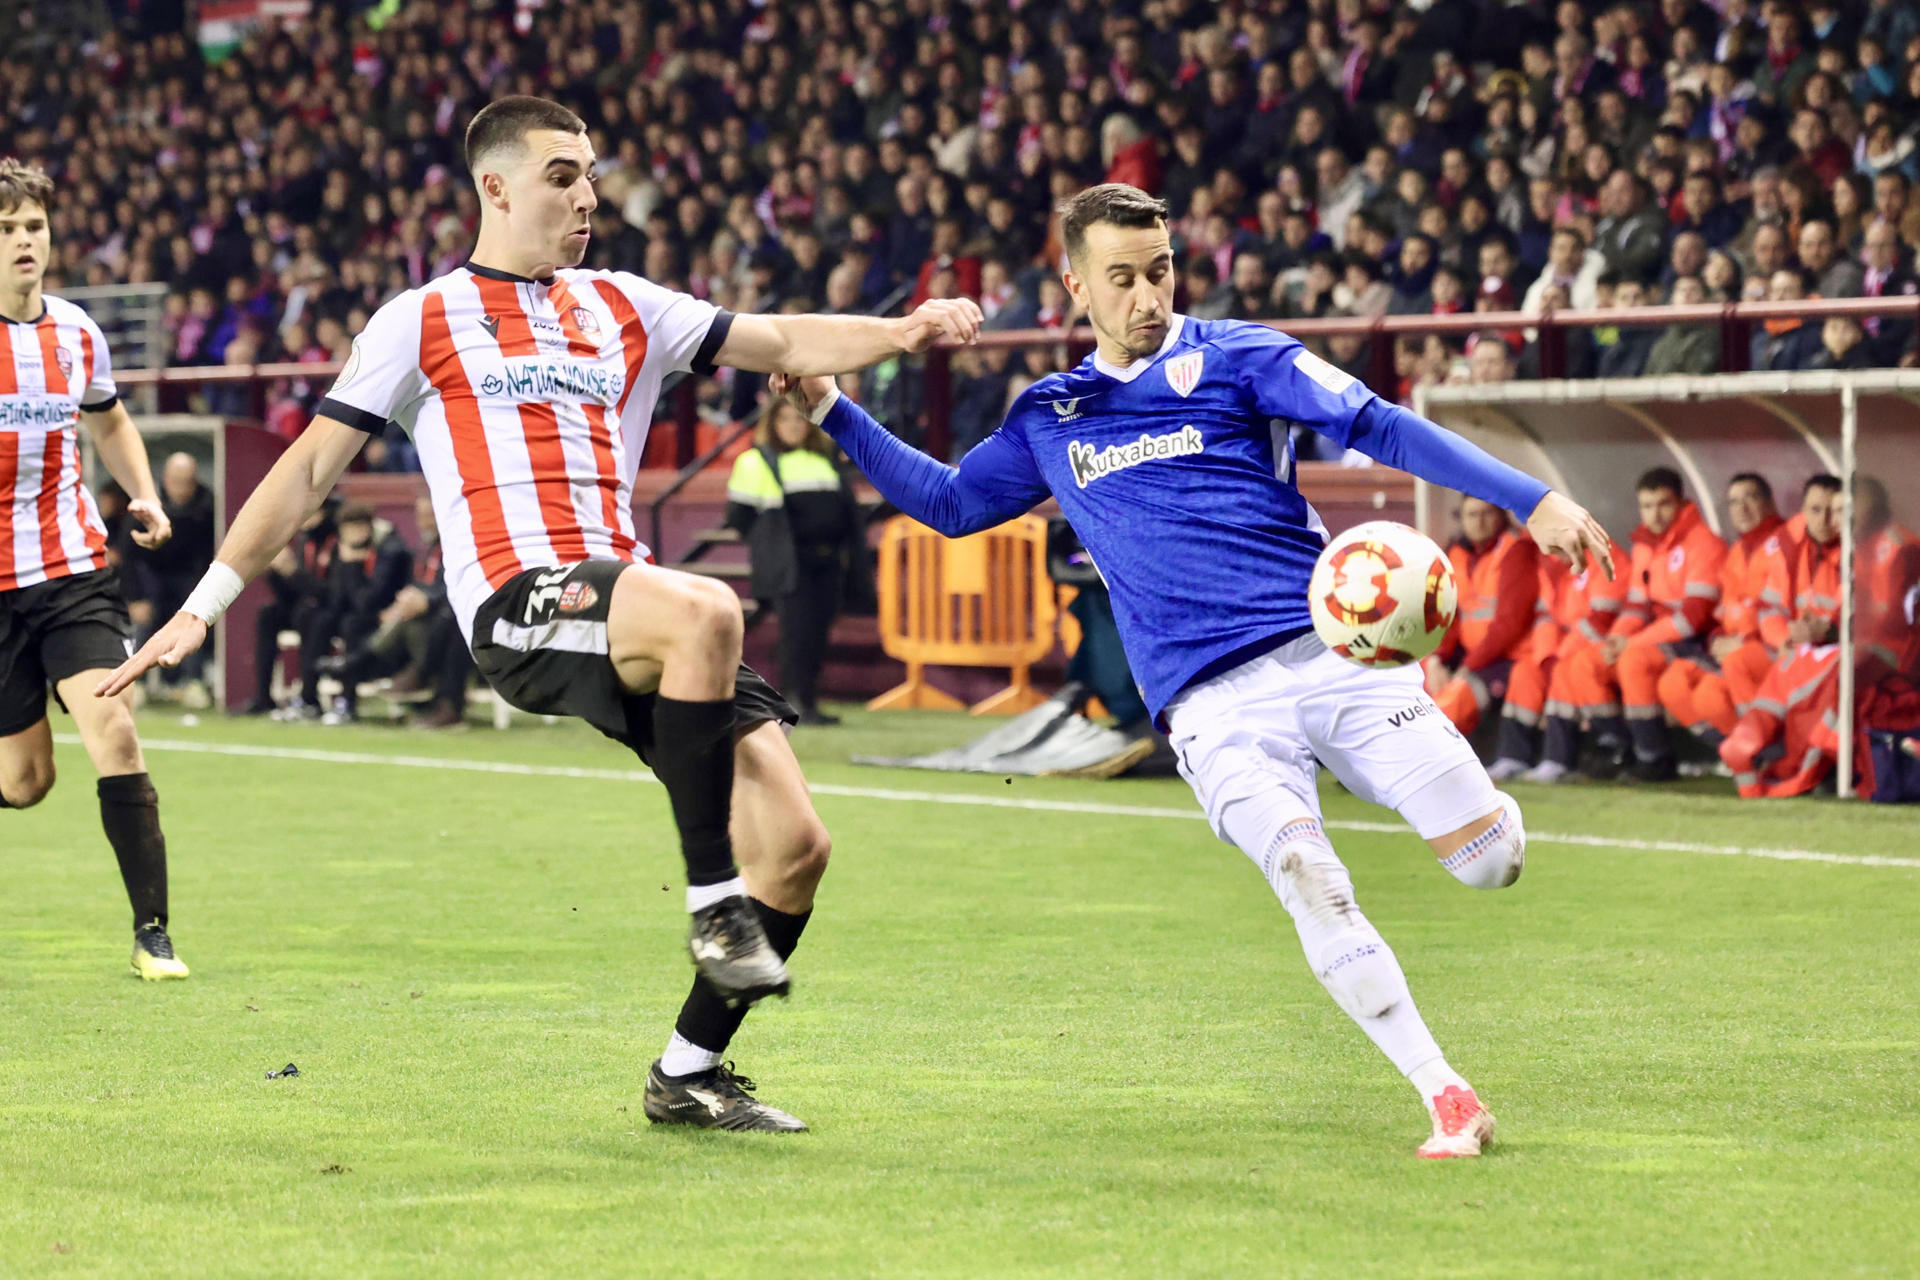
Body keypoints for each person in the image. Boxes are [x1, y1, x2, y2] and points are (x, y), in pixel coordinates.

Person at [104, 97, 984, 1132]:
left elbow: (784, 336)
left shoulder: (624, 304)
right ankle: (712, 901)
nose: (585, 194)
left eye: (593, 174)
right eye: (563, 173)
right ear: (496, 185)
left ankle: (687, 1072)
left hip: (627, 605)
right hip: (519, 603)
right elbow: (303, 476)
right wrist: (203, 607)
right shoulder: (421, 319)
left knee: (795, 844)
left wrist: (909, 327)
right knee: (707, 608)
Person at [770, 183, 1614, 1159]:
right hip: (1212, 708)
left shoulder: (1241, 355)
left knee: (1491, 863)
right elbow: (954, 503)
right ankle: (1446, 1093)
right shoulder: (1053, 412)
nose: (1147, 297)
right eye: (1121, 277)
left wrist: (1530, 499)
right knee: (1308, 872)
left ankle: (1486, 814)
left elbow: (1380, 423)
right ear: (1074, 285)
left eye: (1160, 270)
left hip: (1336, 659)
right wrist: (833, 406)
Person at [0, 157, 187, 980]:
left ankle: (153, 935)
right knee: (27, 781)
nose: (23, 242)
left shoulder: (77, 332)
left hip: (73, 572)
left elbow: (109, 423)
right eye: (6, 230)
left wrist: (141, 492)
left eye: (32, 226)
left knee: (115, 731)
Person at [1557, 468, 1726, 782]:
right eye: (1647, 506)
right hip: (1654, 639)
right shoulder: (1645, 545)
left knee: (1634, 661)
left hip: (1693, 643)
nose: (1655, 514)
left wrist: (1630, 644)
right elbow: (1636, 606)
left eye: (1663, 504)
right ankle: (1618, 749)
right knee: (1586, 661)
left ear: (1680, 503)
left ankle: (1654, 758)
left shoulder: (1703, 543)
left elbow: (1694, 618)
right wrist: (1616, 638)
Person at [724, 396, 872, 727]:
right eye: (785, 419)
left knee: (818, 632)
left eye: (799, 419)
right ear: (772, 424)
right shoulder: (755, 461)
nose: (793, 426)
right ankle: (794, 700)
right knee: (797, 633)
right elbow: (739, 517)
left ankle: (809, 700)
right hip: (791, 563)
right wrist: (770, 545)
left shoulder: (824, 460)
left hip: (829, 562)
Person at [1658, 473, 1791, 752]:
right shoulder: (1738, 550)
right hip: (1732, 647)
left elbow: (1780, 609)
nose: (1741, 508)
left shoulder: (1786, 543)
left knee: (1711, 694)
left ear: (1769, 502)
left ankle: (1770, 752)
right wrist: (1717, 637)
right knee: (1674, 682)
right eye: (1733, 502)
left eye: (1750, 498)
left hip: (1770, 648)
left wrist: (1745, 641)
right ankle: (1736, 752)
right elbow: (1725, 610)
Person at [1427, 497, 1539, 738]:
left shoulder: (1516, 549)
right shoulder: (1456, 553)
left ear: (1500, 516)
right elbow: (1450, 615)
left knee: (1459, 696)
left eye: (1486, 514)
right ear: (1461, 519)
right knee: (1421, 673)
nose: (1479, 522)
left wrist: (1468, 666)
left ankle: (1414, 757)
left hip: (1507, 658)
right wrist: (1437, 657)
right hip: (1471, 656)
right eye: (1472, 515)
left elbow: (1510, 625)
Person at [124, 452, 216, 707]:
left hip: (189, 576)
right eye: (176, 481)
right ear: (165, 479)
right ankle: (135, 681)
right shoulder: (146, 505)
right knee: (144, 618)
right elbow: (128, 554)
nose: (181, 488)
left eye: (187, 481)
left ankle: (191, 681)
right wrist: (135, 597)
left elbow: (211, 551)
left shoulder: (208, 506)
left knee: (195, 618)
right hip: (150, 574)